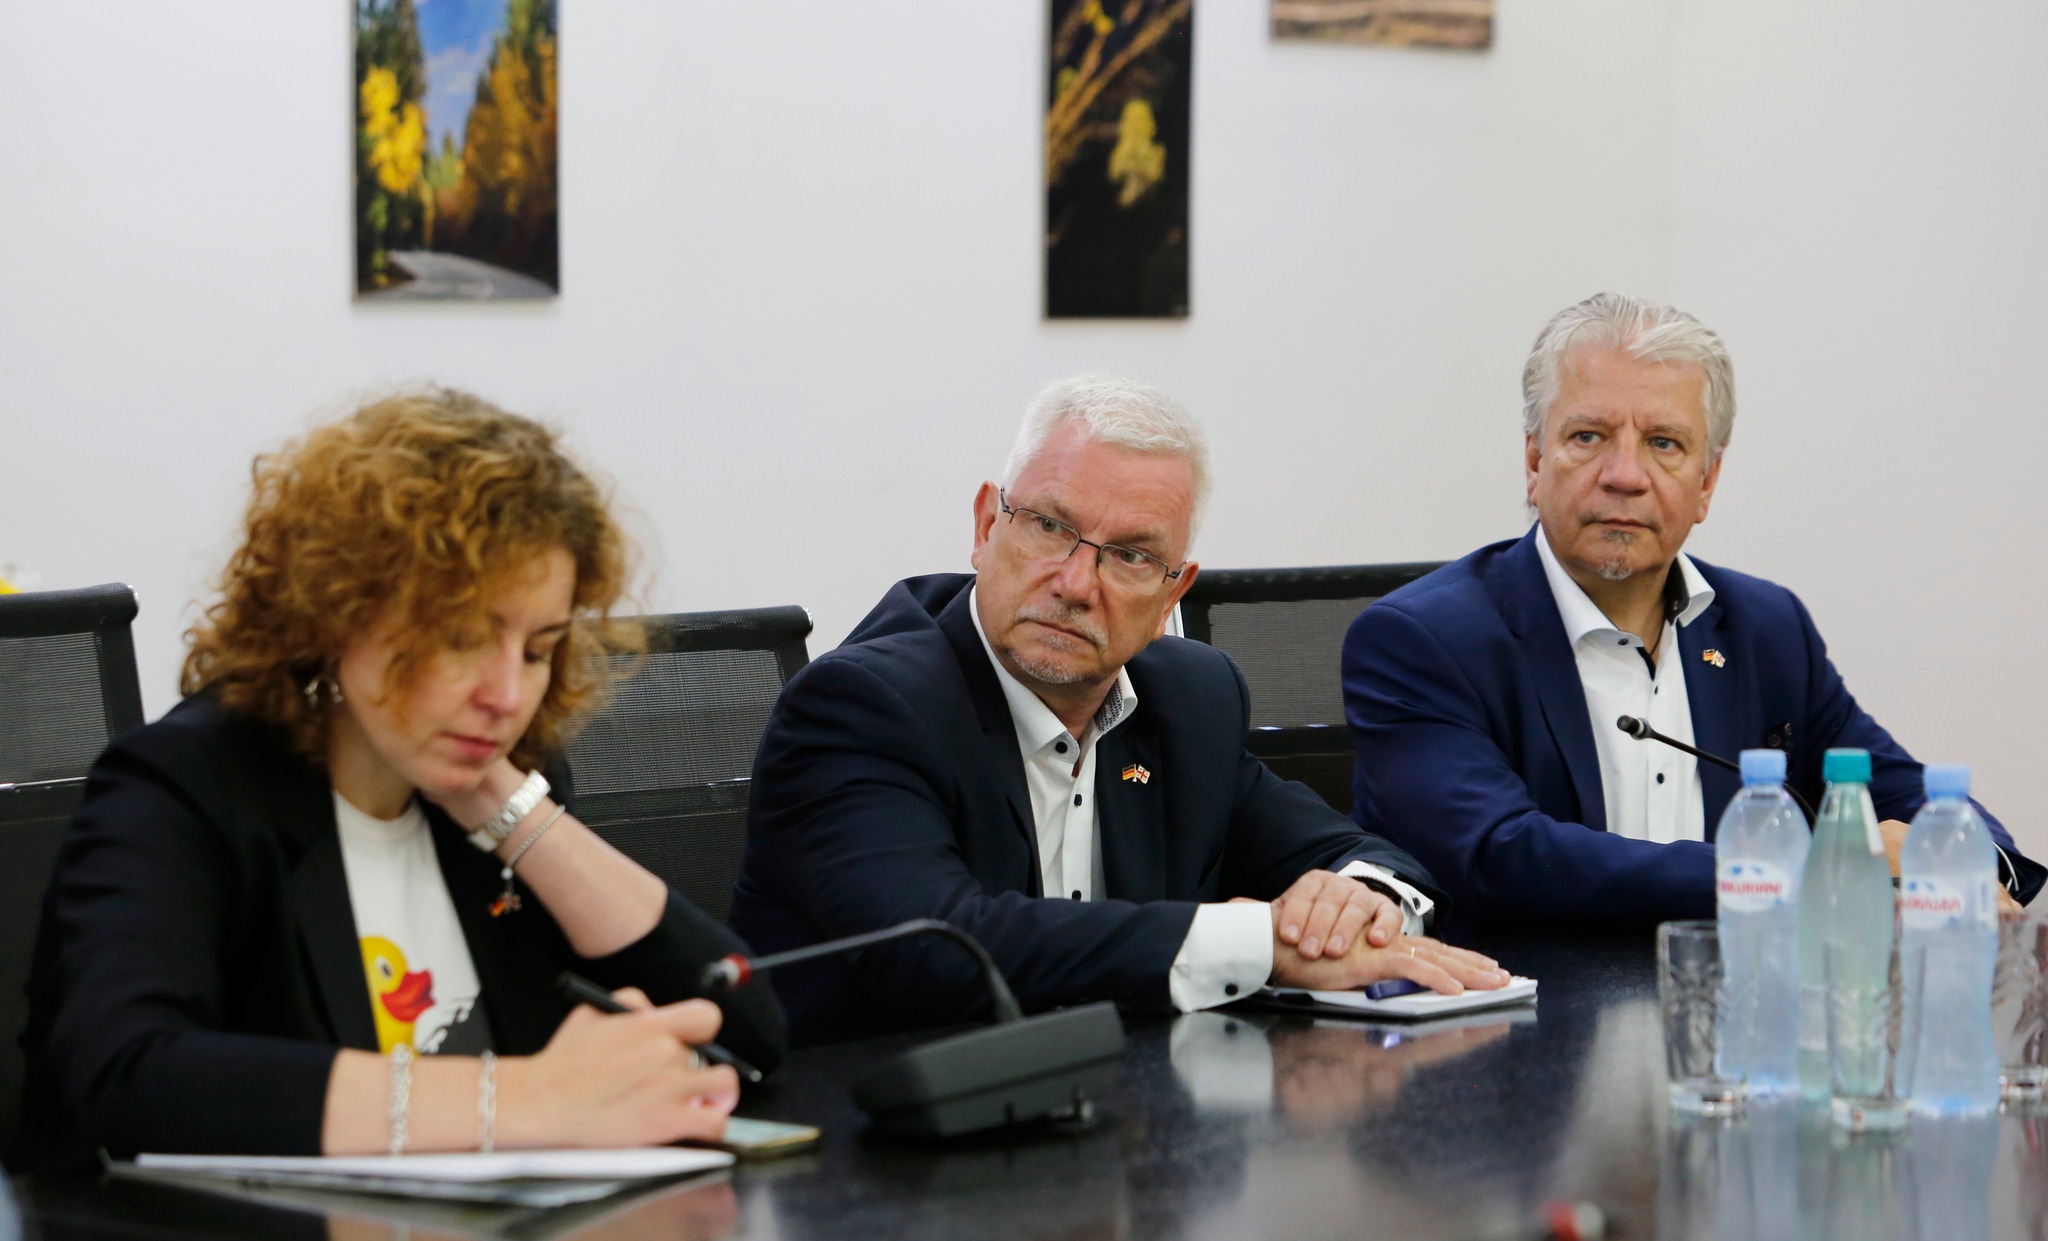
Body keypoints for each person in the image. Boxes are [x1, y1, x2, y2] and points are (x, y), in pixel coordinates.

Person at [14, 390, 784, 1171]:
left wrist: (513, 810)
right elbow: (127, 1071)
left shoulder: (498, 786)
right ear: (339, 609)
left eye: (536, 649)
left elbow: (745, 1029)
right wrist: (531, 1097)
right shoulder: (182, 787)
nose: (506, 696)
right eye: (462, 637)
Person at [730, 375, 1508, 1044]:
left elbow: (1361, 853)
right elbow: (939, 947)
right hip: (866, 1132)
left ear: (1173, 592)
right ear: (985, 525)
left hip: (1117, 1115)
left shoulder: (1187, 702)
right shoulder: (862, 707)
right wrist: (1259, 941)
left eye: (1131, 556)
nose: (1076, 584)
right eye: (1050, 526)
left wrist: (1358, 907)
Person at [1342, 293, 2044, 932]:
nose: (1624, 475)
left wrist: (1969, 861)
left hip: (1734, 1004)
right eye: (1588, 437)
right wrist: (1801, 871)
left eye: (1664, 443)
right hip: (1518, 1012)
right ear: (1534, 460)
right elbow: (1502, 856)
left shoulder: (1765, 627)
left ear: (1706, 481)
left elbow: (1895, 788)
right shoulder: (1421, 640)